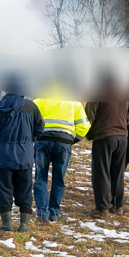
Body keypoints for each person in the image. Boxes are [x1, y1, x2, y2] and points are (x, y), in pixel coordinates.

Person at [0, 75, 44, 233]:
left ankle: (7, 223)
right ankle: (24, 225)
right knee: (24, 188)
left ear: (6, 90)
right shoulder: (31, 107)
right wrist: (28, 141)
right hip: (25, 156)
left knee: (3, 188)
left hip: (3, 155)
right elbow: (40, 128)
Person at [31, 95, 90, 223]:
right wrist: (72, 140)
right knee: (59, 179)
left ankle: (42, 213)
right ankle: (54, 213)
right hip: (64, 143)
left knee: (40, 178)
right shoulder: (73, 101)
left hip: (43, 141)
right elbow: (84, 126)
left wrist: (34, 137)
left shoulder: (39, 100)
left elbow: (30, 122)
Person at [84, 100, 129, 218]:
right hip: (122, 137)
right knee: (118, 172)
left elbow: (89, 117)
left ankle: (102, 208)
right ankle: (118, 205)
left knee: (101, 172)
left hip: (104, 136)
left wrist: (89, 134)